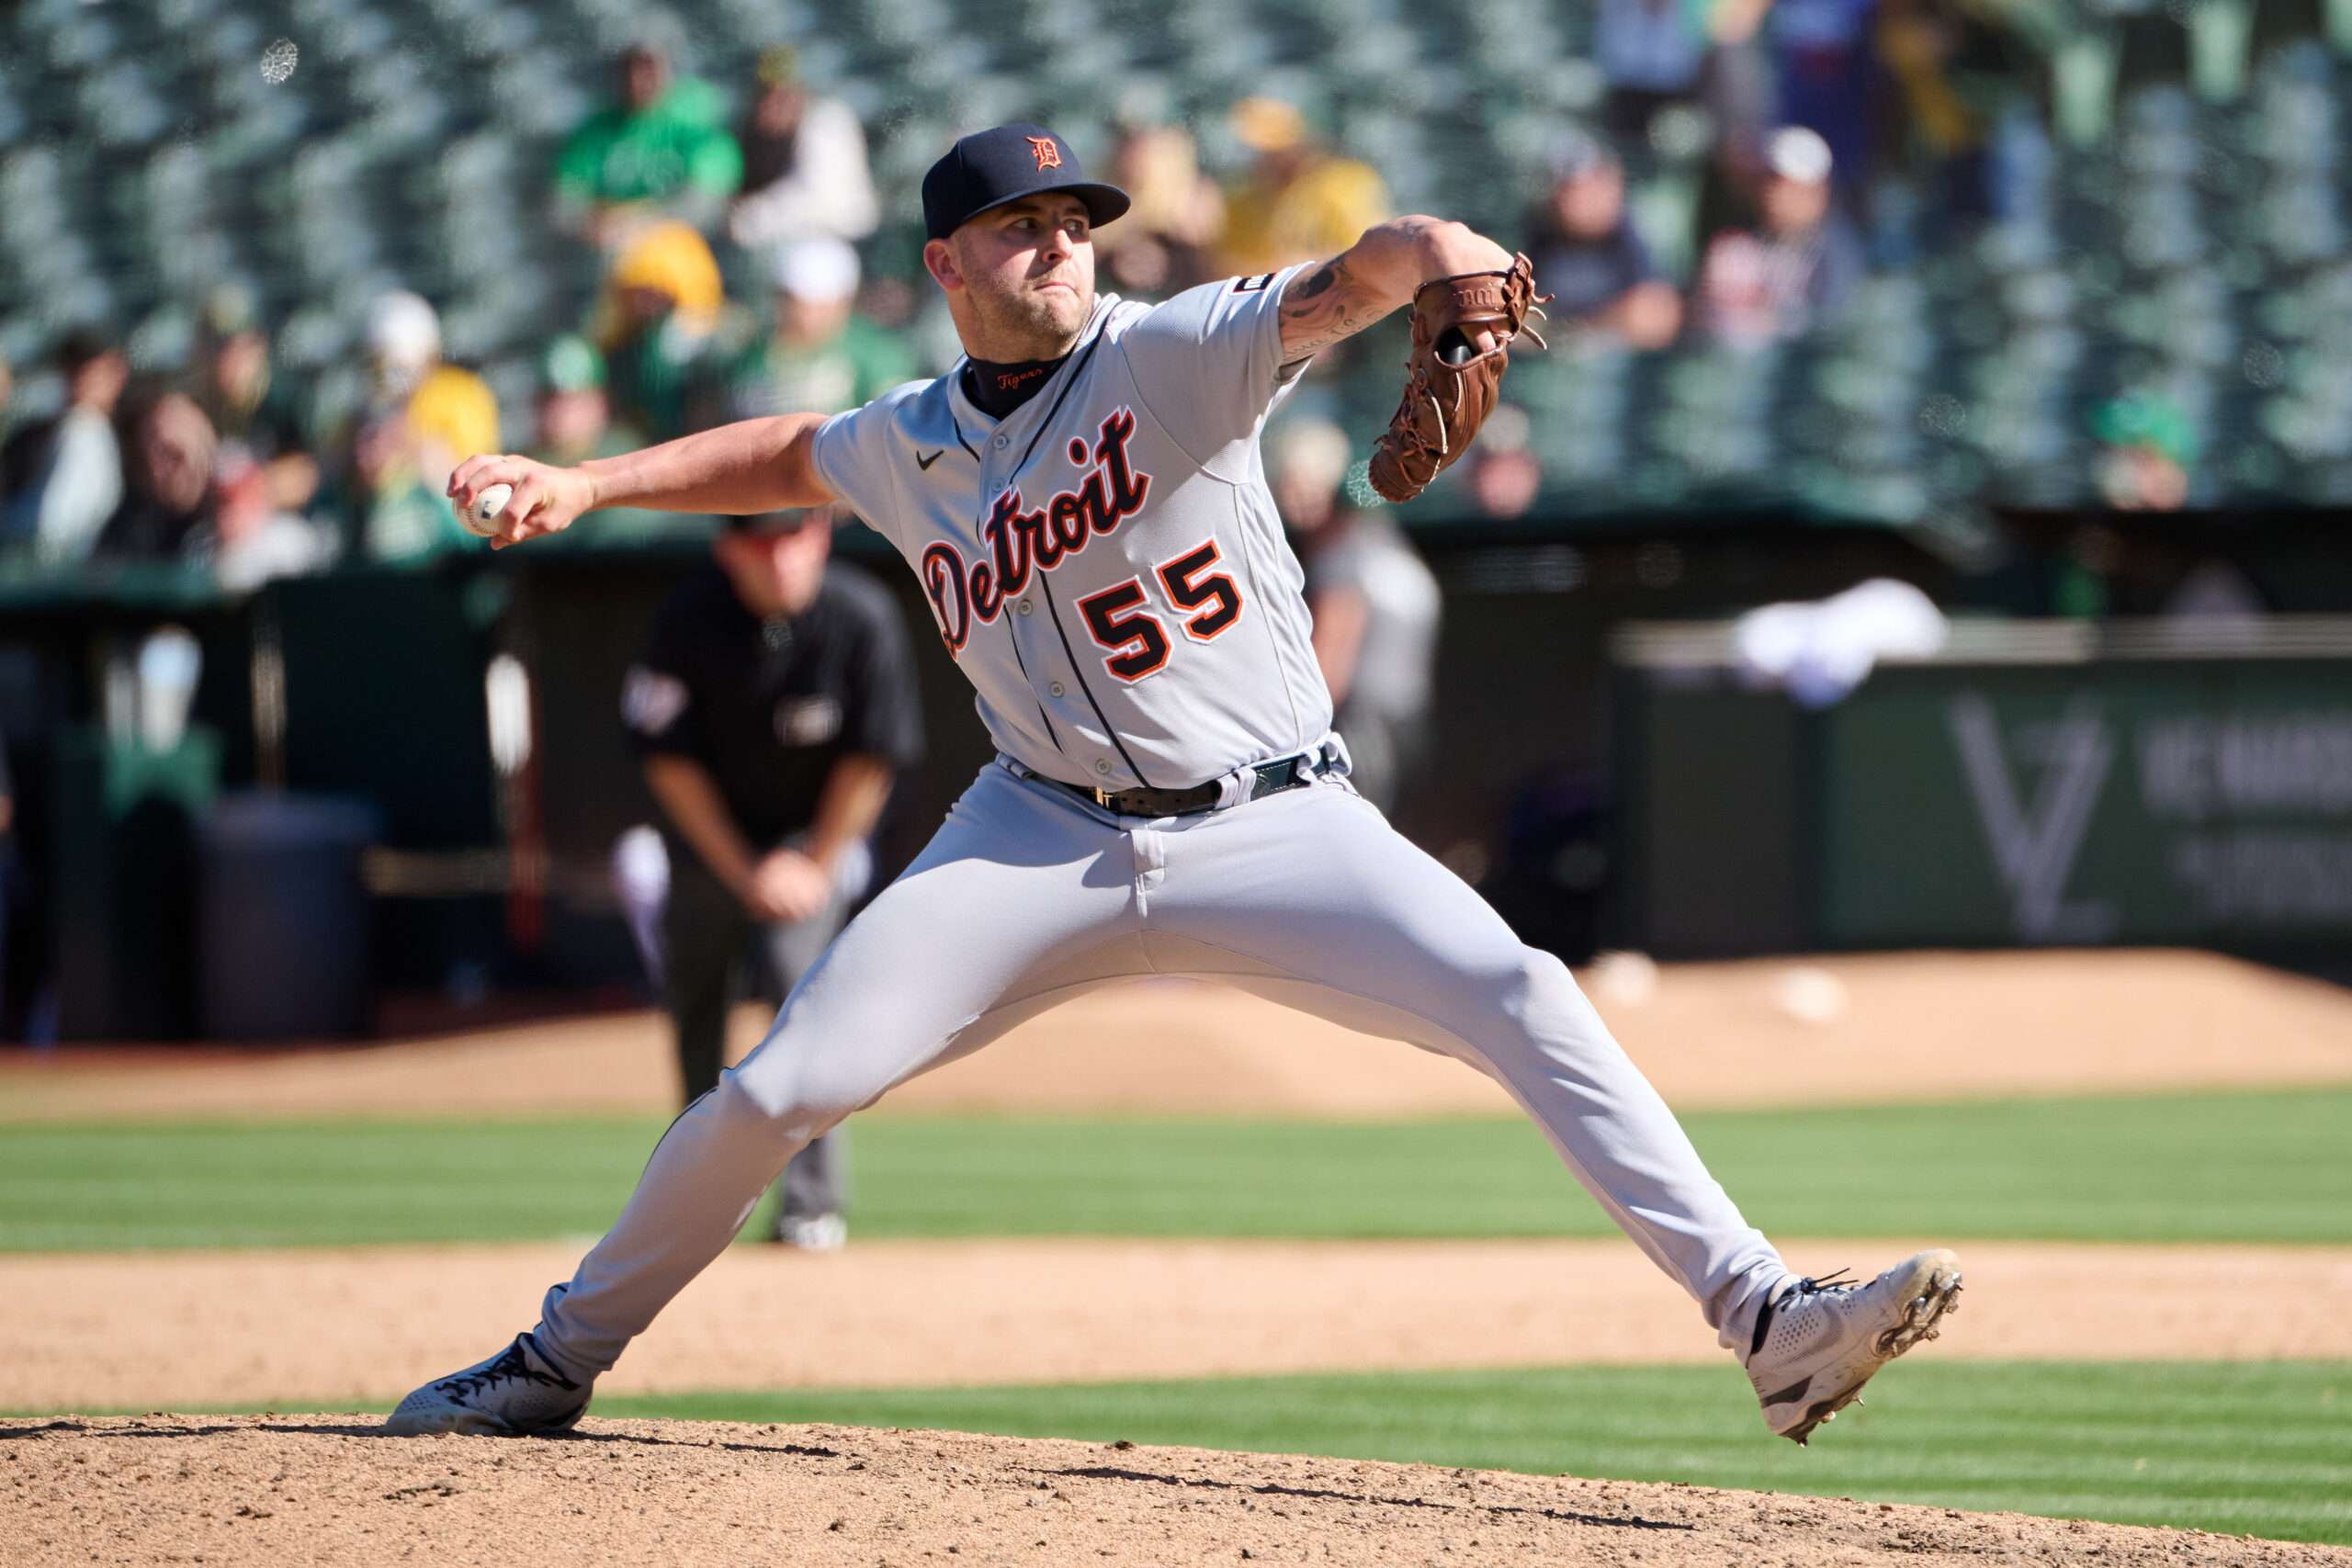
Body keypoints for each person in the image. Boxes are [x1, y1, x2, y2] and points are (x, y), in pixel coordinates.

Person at [395, 120, 1962, 1445]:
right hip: (1036, 832)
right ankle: (553, 1363)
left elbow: (1380, 261)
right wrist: (585, 479)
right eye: (1021, 227)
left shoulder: (1176, 352)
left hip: (1274, 819)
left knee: (1524, 986)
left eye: (1075, 219)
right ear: (946, 266)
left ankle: (1766, 1314)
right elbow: (792, 451)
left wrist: (1457, 264)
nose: (1061, 244)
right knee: (779, 1090)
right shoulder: (910, 441)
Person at [620, 506, 923, 1248]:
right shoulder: (687, 619)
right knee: (697, 1008)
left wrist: (812, 863)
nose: (781, 557)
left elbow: (872, 759)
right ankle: (692, 1201)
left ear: (821, 537)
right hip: (711, 844)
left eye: (797, 537)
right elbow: (667, 758)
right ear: (731, 549)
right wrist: (742, 868)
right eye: (762, 541)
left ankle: (811, 1203)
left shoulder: (862, 617)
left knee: (807, 1000)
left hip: (808, 841)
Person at [1270, 419, 1440, 817]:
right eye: (1290, 483)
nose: (1298, 498)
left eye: (1311, 484)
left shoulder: (1340, 559)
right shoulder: (1379, 538)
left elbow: (1326, 677)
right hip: (1404, 726)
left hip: (1365, 737)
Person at [555, 28, 743, 247]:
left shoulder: (694, 121)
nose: (639, 80)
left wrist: (642, 222)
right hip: (612, 249)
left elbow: (707, 197)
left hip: (678, 247)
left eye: (649, 69)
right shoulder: (596, 131)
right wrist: (592, 223)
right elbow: (565, 200)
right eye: (631, 70)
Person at [1696, 126, 1867, 345]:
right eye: (1768, 180)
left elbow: (1834, 324)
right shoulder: (1745, 234)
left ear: (1818, 191)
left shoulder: (1838, 250)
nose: (1772, 193)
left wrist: (1767, 319)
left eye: (1785, 184)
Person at [716, 238, 918, 423]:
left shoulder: (876, 355)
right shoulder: (752, 354)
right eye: (793, 301)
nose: (804, 315)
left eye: (818, 306)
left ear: (843, 302)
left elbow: (892, 429)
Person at [1523, 136, 1683, 350]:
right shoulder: (1543, 233)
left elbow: (1656, 316)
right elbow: (1519, 316)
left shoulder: (1631, 234)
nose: (1572, 200)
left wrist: (1589, 328)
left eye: (1582, 188)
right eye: (1566, 188)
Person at [1210, 98, 1391, 277]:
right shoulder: (1240, 199)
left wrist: (1297, 267)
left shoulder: (1345, 185)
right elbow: (1225, 267)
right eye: (1256, 152)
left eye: (1271, 151)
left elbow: (1371, 255)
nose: (1262, 159)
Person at [727, 46, 879, 257]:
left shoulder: (827, 121)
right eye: (765, 96)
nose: (770, 106)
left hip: (842, 244)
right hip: (785, 244)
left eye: (782, 96)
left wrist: (754, 213)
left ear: (802, 93)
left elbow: (825, 203)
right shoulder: (756, 134)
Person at [0, 332, 130, 565]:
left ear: (117, 371)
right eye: (72, 365)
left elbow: (48, 526)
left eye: (89, 366)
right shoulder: (60, 430)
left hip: (60, 575)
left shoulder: (84, 432)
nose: (79, 376)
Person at [361, 291, 501, 489]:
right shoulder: (368, 405)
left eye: (398, 366)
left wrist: (410, 446)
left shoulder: (460, 395)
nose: (388, 377)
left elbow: (474, 471)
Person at [93, 389, 217, 560]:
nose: (163, 467)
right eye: (159, 452)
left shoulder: (230, 514)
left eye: (176, 454)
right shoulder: (130, 526)